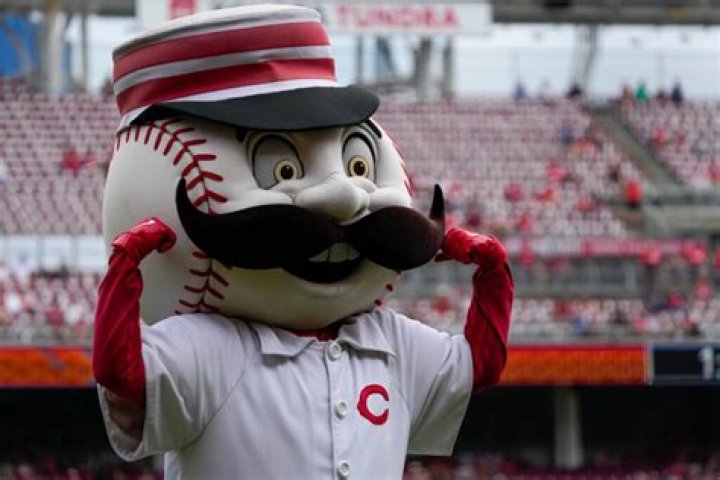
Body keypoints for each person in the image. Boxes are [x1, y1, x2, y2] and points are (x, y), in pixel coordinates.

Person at [93, 6, 514, 479]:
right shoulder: (209, 347)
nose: (343, 196)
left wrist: (493, 275)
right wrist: (124, 268)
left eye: (359, 167)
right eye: (283, 170)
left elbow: (478, 366)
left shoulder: (390, 342)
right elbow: (122, 374)